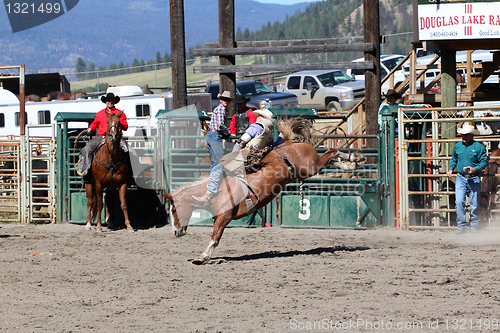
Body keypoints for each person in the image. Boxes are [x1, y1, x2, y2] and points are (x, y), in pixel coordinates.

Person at [192, 109, 281, 205]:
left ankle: (207, 197)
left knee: (217, 168)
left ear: (263, 118)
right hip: (257, 159)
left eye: (259, 115)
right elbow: (273, 147)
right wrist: (281, 137)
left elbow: (242, 141)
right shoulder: (269, 133)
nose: (257, 117)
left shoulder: (255, 127)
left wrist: (233, 155)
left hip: (245, 155)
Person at [76, 92, 129, 183]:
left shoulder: (120, 114)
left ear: (114, 102)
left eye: (112, 100)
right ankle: (86, 173)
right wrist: (89, 130)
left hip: (117, 138)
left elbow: (125, 127)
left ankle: (129, 175)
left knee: (130, 151)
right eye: (108, 100)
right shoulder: (100, 114)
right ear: (105, 102)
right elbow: (94, 124)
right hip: (101, 137)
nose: (110, 102)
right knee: (86, 149)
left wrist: (120, 123)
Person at [446, 124, 488, 234]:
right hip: (461, 177)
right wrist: (451, 168)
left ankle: (473, 226)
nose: (463, 137)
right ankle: (462, 226)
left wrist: (475, 169)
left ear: (471, 135)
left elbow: (484, 162)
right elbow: (454, 158)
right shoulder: (458, 146)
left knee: (474, 204)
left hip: (474, 177)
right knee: (459, 202)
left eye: (465, 135)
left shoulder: (479, 147)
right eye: (462, 135)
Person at [206, 90, 233, 170]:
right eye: (224, 99)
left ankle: (213, 180)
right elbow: (220, 125)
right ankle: (219, 181)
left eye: (228, 100)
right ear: (221, 100)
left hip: (211, 135)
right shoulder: (222, 109)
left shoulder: (219, 108)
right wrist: (228, 133)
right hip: (215, 135)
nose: (226, 101)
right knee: (221, 160)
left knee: (214, 162)